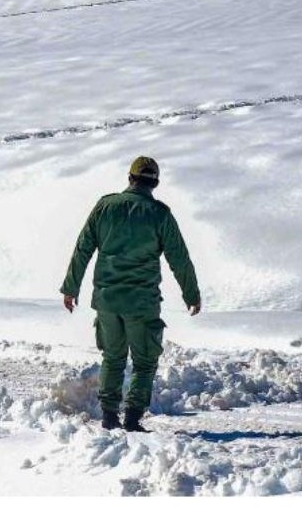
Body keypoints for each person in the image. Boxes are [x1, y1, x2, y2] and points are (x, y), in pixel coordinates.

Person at [61, 156, 201, 432]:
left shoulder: (105, 206)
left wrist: (71, 287)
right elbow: (179, 258)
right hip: (141, 302)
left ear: (130, 178)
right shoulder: (160, 214)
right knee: (144, 362)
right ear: (155, 183)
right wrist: (191, 294)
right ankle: (133, 419)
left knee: (112, 357)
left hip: (107, 299)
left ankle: (109, 417)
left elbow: (83, 247)